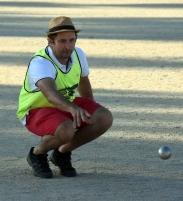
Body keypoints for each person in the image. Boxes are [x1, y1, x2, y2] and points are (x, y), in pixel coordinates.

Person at [16, 16, 113, 178]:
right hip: (36, 110)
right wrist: (74, 108)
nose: (68, 46)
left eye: (72, 40)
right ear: (50, 41)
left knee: (104, 117)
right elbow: (51, 94)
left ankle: (61, 153)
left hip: (65, 105)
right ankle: (37, 154)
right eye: (62, 41)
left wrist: (91, 108)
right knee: (66, 129)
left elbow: (83, 81)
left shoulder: (78, 54)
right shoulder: (41, 62)